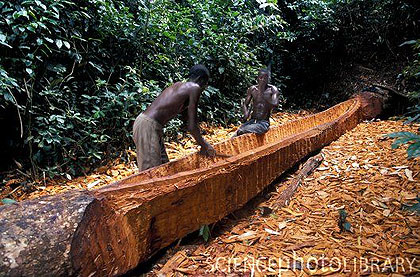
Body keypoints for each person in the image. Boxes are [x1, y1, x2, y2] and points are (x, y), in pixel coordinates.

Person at [133, 64, 216, 171]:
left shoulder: (180, 86)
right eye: (205, 84)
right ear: (200, 79)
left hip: (150, 125)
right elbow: (192, 126)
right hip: (148, 126)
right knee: (151, 174)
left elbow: (188, 121)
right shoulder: (194, 88)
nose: (205, 87)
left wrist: (201, 143)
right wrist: (204, 145)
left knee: (164, 169)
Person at [235, 68, 280, 136]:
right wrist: (246, 114)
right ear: (257, 78)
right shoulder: (252, 89)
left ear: (268, 79)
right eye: (261, 78)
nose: (263, 80)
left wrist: (262, 93)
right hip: (252, 121)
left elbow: (275, 104)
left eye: (265, 78)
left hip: (263, 123)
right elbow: (245, 104)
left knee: (242, 131)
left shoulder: (272, 89)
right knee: (235, 135)